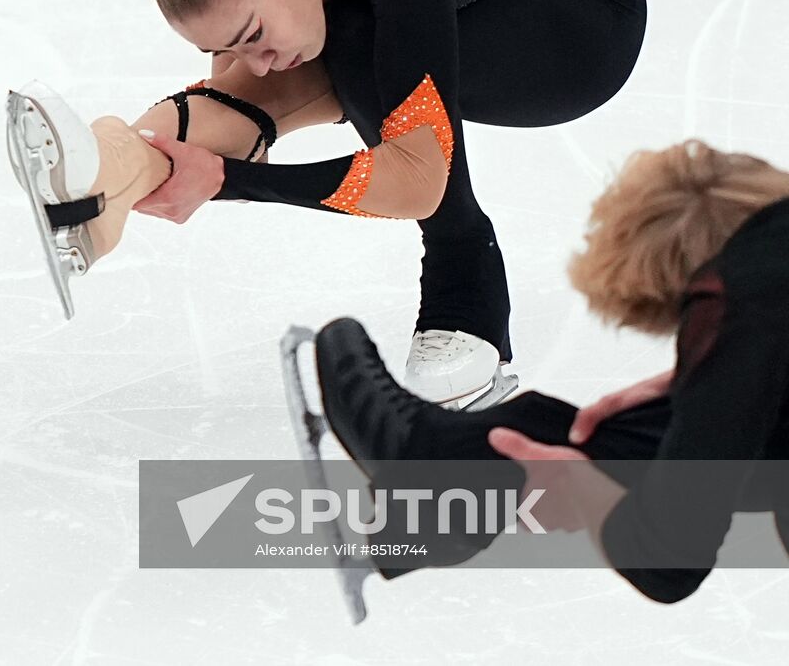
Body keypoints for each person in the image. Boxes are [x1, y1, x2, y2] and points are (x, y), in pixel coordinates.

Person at [6, 0, 647, 407]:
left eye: (251, 32)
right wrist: (173, 150)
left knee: (355, 41)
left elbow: (417, 181)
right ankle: (109, 166)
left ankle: (465, 286)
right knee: (265, 81)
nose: (252, 60)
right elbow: (238, 88)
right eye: (229, 42)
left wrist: (227, 180)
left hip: (578, 25)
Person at [309, 139, 789, 602]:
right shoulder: (768, 282)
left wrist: (583, 489)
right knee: (594, 436)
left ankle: (432, 466)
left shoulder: (748, 295)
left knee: (595, 447)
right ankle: (441, 481)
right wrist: (703, 384)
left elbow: (665, 562)